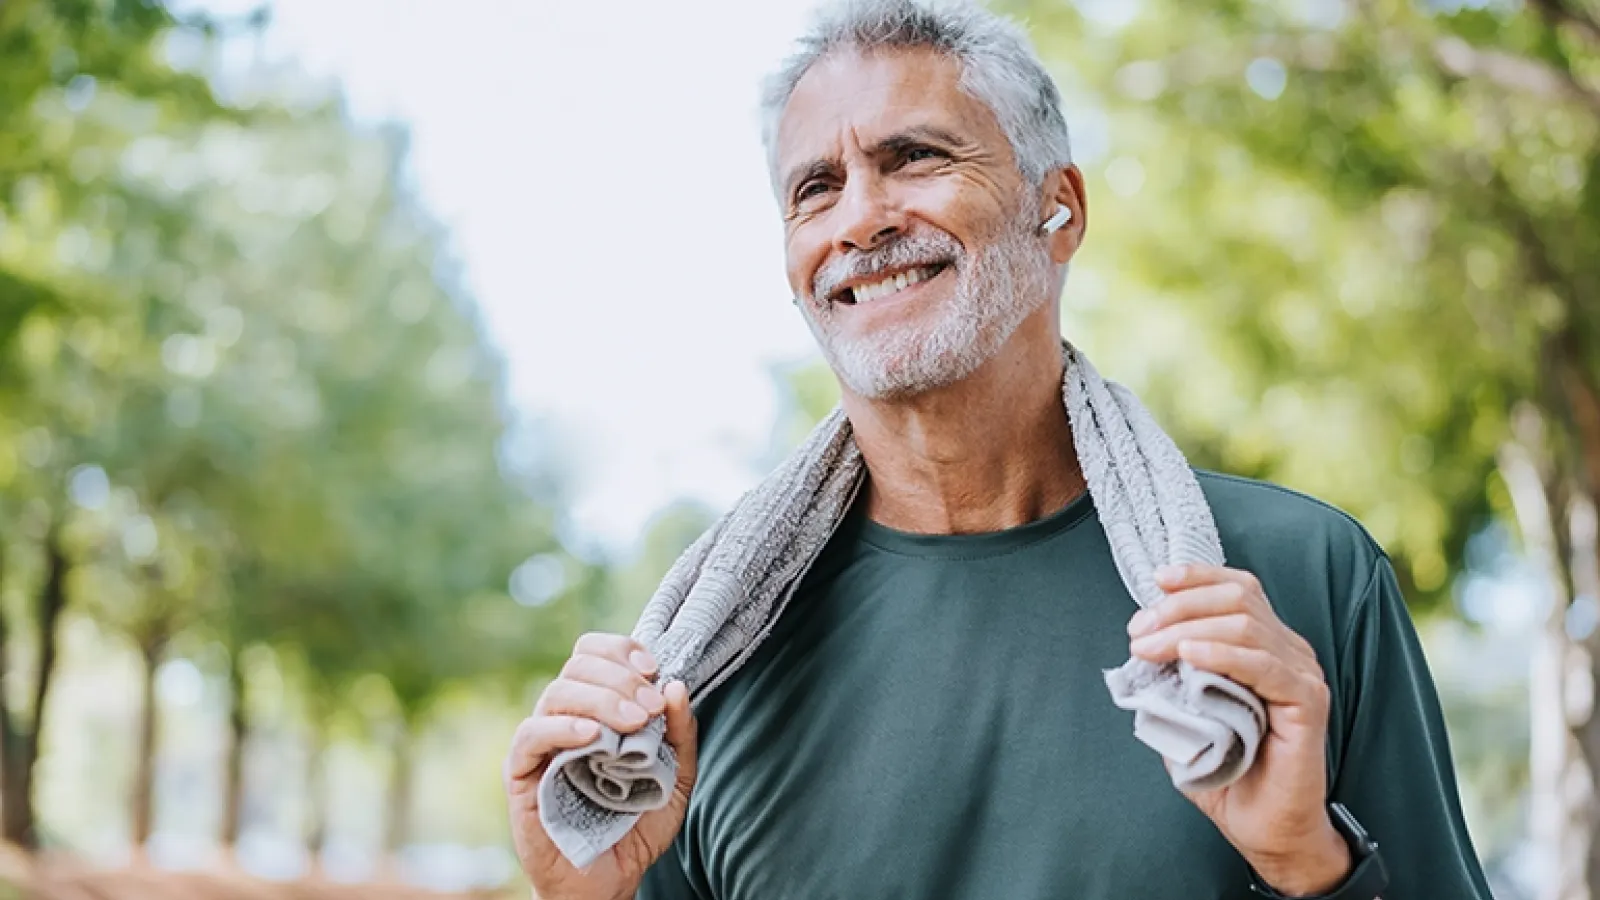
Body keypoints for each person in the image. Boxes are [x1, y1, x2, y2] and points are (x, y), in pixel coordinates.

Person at [503, 1, 1494, 897]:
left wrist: (1305, 864)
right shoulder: (696, 668)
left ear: (1056, 210)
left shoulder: (1291, 588)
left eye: (915, 158)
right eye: (816, 188)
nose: (862, 218)